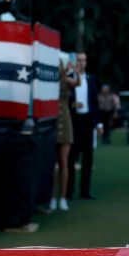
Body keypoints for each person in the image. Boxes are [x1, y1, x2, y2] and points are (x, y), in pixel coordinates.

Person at [63, 52, 99, 200]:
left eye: (84, 60)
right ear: (74, 61)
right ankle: (69, 191)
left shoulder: (91, 79)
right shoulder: (68, 78)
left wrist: (99, 123)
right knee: (72, 157)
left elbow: (95, 102)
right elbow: (63, 98)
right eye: (79, 60)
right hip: (74, 121)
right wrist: (72, 105)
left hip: (88, 122)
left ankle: (85, 191)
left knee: (88, 157)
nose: (81, 63)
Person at [52, 53, 75, 212]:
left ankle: (63, 198)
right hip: (53, 120)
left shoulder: (67, 80)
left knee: (63, 161)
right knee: (53, 164)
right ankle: (52, 197)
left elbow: (77, 82)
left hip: (65, 120)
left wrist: (75, 70)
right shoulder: (49, 82)